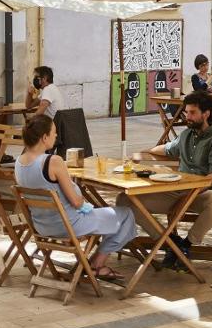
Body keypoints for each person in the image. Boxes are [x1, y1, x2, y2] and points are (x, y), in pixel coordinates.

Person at [15, 116, 135, 284]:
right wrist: (80, 197)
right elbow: (76, 202)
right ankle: (97, 264)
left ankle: (90, 263)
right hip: (69, 224)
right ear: (44, 137)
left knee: (106, 214)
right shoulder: (53, 161)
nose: (56, 136)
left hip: (41, 226)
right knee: (126, 214)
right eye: (54, 133)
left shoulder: (19, 162)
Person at [128, 92, 212, 269]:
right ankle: (169, 242)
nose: (187, 117)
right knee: (126, 200)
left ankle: (186, 244)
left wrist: (193, 189)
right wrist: (145, 151)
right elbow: (167, 149)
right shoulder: (185, 135)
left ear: (205, 114)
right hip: (177, 192)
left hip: (202, 194)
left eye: (192, 113)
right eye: (186, 112)